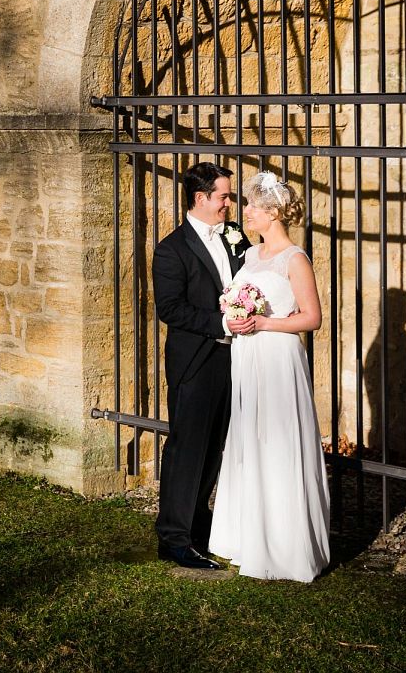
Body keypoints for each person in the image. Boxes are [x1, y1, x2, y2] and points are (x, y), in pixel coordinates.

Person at [206, 170, 332, 582]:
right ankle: (247, 537)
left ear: (273, 213)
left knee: (277, 440)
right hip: (247, 358)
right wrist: (236, 317)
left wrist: (262, 325)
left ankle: (284, 546)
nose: (245, 212)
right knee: (249, 438)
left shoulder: (295, 259)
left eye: (252, 207)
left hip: (278, 357)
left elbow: (311, 318)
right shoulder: (249, 257)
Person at [153, 161, 255, 570]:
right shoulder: (171, 249)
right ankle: (173, 538)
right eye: (224, 197)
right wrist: (221, 322)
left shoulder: (234, 237)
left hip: (231, 357)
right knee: (187, 447)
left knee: (214, 447)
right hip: (195, 360)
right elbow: (170, 309)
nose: (229, 204)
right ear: (201, 198)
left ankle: (197, 525)